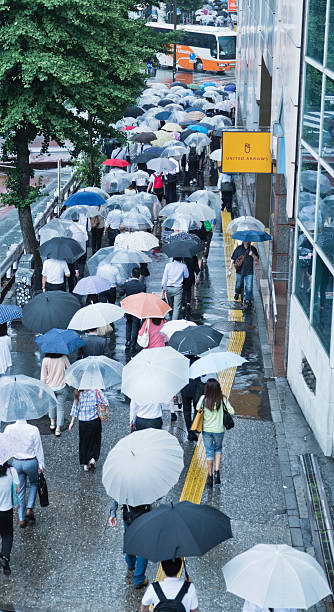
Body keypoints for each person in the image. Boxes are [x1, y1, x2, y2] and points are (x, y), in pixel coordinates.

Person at [5, 419, 45, 527]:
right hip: (31, 462)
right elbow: (38, 448)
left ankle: (21, 519)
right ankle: (29, 508)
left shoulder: (9, 429)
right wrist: (41, 463)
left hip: (17, 462)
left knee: (20, 489)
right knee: (33, 484)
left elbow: (5, 446)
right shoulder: (33, 429)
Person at [195, 378, 234, 488]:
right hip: (219, 430)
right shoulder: (222, 399)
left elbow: (198, 408)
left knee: (209, 452)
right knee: (218, 449)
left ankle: (210, 476)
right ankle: (217, 472)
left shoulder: (204, 399)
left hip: (207, 430)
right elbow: (232, 411)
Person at [109, 499, 150, 589]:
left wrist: (113, 513)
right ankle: (139, 579)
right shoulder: (146, 484)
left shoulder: (122, 484)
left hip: (128, 515)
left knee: (129, 538)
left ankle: (131, 563)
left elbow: (115, 497)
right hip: (143, 516)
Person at [69, 388, 108, 471]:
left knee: (84, 442)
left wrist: (72, 422)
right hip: (95, 422)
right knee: (95, 441)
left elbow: (75, 409)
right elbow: (106, 403)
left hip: (83, 423)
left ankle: (85, 463)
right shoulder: (96, 392)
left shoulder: (78, 394)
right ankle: (93, 458)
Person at [40, 352, 70, 437]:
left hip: (50, 388)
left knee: (51, 405)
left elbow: (43, 376)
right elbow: (70, 370)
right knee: (60, 409)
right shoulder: (64, 358)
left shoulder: (46, 360)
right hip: (61, 387)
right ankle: (58, 429)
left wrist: (41, 390)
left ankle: (52, 424)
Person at [119, 267, 146, 354]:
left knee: (128, 323)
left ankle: (127, 341)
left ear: (131, 274)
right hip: (137, 308)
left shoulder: (127, 284)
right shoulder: (142, 285)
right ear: (139, 276)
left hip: (128, 307)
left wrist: (125, 285)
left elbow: (120, 293)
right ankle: (133, 345)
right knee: (135, 326)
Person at [0, 462, 19, 576]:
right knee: (7, 535)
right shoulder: (12, 471)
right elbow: (17, 489)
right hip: (6, 510)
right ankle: (5, 558)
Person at [181, 356, 204, 442]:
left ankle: (189, 432)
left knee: (186, 411)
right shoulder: (198, 360)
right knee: (197, 409)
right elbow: (204, 374)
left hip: (185, 388)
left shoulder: (182, 361)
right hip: (196, 389)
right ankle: (193, 429)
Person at [229, 241, 259, 306]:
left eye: (249, 241)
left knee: (249, 286)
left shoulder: (253, 249)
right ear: (243, 241)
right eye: (246, 241)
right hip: (239, 271)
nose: (247, 242)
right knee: (238, 284)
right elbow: (233, 257)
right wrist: (230, 265)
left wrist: (252, 255)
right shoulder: (239, 248)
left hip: (249, 271)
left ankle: (248, 300)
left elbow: (257, 259)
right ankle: (236, 292)